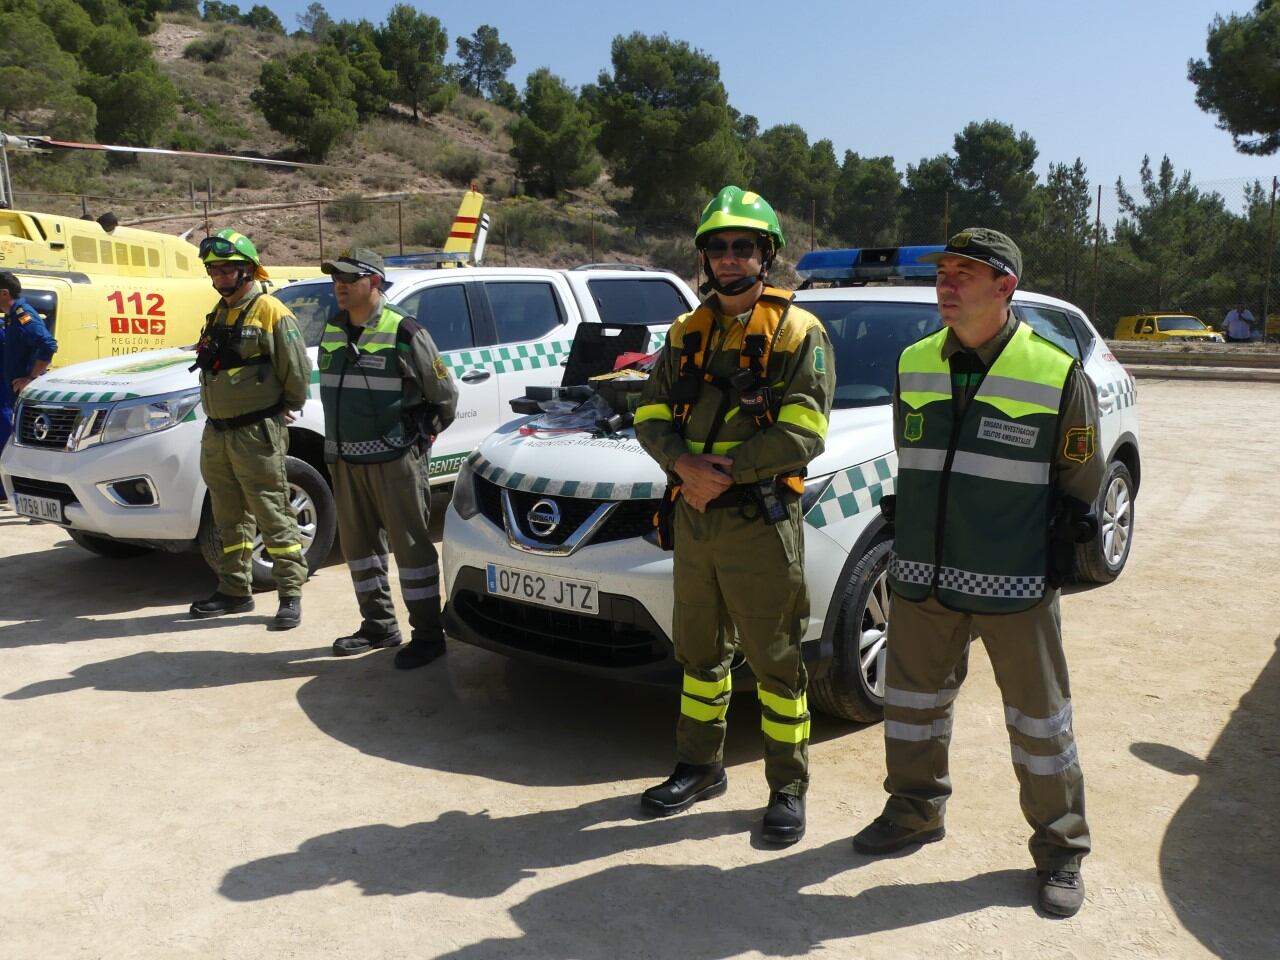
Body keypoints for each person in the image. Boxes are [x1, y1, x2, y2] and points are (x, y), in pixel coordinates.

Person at [849, 227, 1103, 918]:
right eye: (944, 271)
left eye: (967, 272)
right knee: (911, 708)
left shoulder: (1055, 370)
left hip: (1014, 584)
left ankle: (1060, 850)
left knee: (1040, 722)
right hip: (922, 580)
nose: (948, 283)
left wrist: (1058, 558)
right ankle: (913, 813)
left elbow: (1081, 479)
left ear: (1006, 288)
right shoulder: (914, 362)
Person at [633, 186, 835, 844]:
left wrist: (722, 476)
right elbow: (650, 413)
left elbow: (804, 431)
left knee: (776, 659)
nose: (728, 258)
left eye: (742, 246)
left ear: (766, 255)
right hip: (694, 516)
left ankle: (788, 786)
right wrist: (680, 465)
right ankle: (699, 765)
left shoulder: (800, 332)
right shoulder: (685, 333)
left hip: (758, 519)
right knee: (696, 650)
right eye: (716, 248)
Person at [318, 248, 458, 670]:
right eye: (335, 278)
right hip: (345, 461)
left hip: (395, 462)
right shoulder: (332, 328)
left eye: (349, 278)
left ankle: (429, 635)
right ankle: (378, 626)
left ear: (374, 282)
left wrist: (419, 438)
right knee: (359, 550)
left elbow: (445, 396)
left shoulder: (404, 330)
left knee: (411, 550)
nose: (339, 286)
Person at [189, 229, 312, 630]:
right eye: (215, 270)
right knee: (228, 515)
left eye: (228, 269)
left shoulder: (271, 311)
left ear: (247, 270)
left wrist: (286, 408)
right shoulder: (218, 313)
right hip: (218, 433)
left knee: (272, 511)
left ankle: (290, 593)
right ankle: (234, 589)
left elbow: (296, 371)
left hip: (256, 432)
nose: (221, 276)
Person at [1, 271, 58, 401]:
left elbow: (48, 345)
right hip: (13, 388)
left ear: (4, 293)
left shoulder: (23, 316)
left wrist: (31, 378)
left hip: (23, 391)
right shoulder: (11, 315)